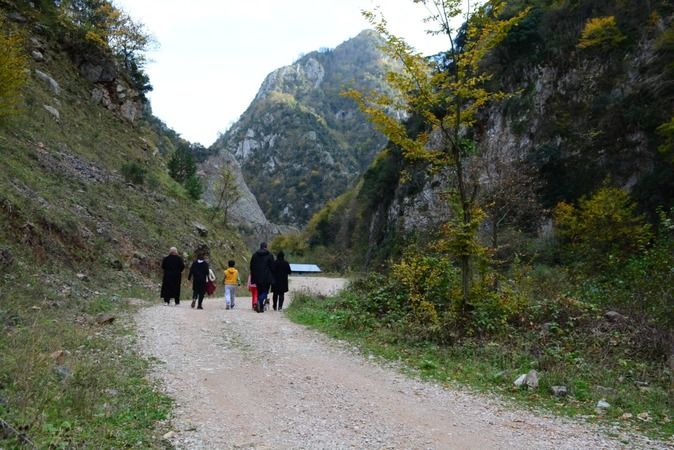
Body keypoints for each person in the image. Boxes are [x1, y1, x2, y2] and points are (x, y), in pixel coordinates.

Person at [249, 242, 274, 313]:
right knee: (265, 291)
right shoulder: (270, 255)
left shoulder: (254, 255)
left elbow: (251, 266)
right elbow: (272, 267)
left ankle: (261, 307)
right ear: (266, 247)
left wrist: (253, 275)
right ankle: (259, 302)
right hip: (267, 277)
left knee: (259, 291)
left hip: (257, 277)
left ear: (260, 247)